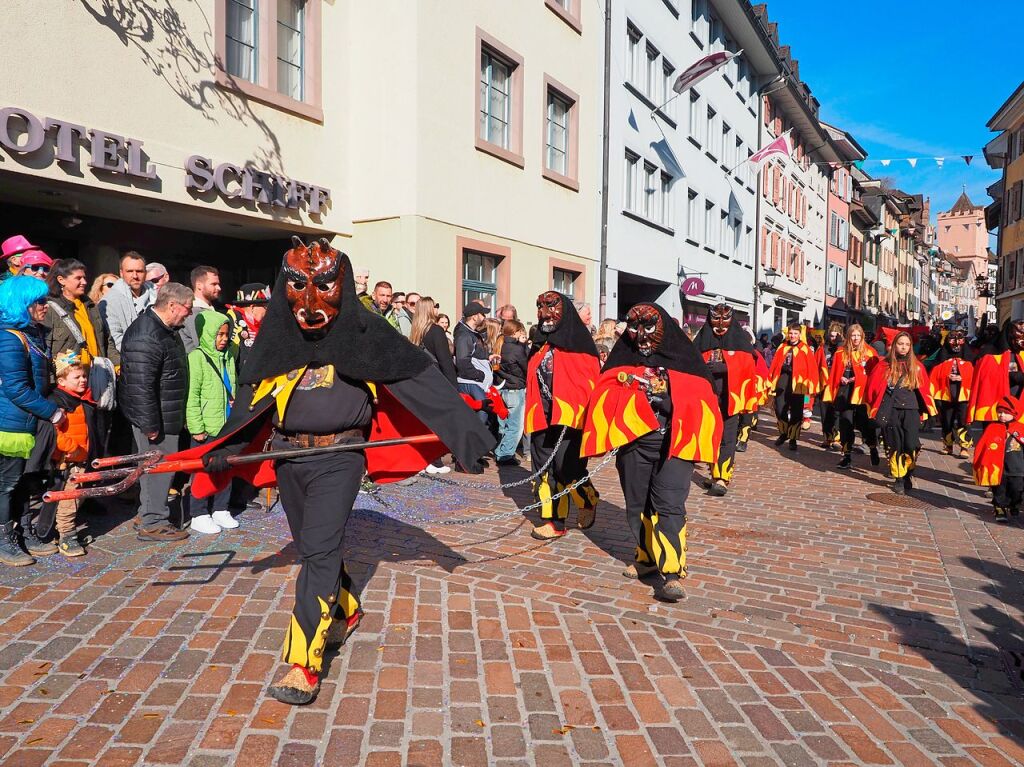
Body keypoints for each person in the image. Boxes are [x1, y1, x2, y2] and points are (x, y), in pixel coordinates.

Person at [186, 237, 492, 705]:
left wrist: (465, 437)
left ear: (342, 284)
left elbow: (424, 382)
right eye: (298, 286)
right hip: (289, 456)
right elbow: (251, 401)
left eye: (324, 285)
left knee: (320, 551)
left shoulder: (367, 332)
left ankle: (302, 663)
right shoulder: (277, 335)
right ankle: (345, 609)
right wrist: (224, 446)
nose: (310, 301)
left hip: (340, 457)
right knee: (315, 546)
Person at [581, 302, 722, 602]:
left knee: (669, 504)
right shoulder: (623, 360)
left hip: (674, 444)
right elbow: (605, 393)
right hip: (636, 444)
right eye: (634, 328)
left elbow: (702, 400)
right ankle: (646, 557)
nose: (641, 335)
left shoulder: (685, 361)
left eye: (648, 327)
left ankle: (672, 572)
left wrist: (670, 397)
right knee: (638, 504)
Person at [0, 277, 66, 567]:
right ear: (22, 304)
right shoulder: (9, 337)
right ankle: (4, 541)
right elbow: (15, 387)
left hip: (29, 420)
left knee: (25, 481)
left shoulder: (32, 334)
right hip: (11, 423)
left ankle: (23, 532)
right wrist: (51, 411)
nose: (44, 306)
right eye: (39, 301)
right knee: (7, 483)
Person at [119, 282, 193, 541]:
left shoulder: (163, 329)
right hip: (155, 418)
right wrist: (151, 425)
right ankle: (153, 522)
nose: (189, 314)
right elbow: (140, 387)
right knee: (158, 468)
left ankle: (148, 513)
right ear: (172, 305)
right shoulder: (146, 335)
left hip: (164, 413)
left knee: (158, 467)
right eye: (187, 308)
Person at [524, 291, 601, 539]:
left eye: (551, 307)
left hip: (570, 418)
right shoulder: (540, 344)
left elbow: (588, 384)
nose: (545, 312)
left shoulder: (581, 346)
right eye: (540, 307)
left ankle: (587, 499)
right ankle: (554, 522)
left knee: (567, 468)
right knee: (544, 470)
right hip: (541, 416)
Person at [29, 351, 97, 557]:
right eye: (77, 377)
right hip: (67, 462)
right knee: (69, 500)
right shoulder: (58, 403)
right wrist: (73, 449)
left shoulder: (81, 400)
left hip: (81, 459)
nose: (83, 380)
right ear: (61, 380)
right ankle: (67, 536)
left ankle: (60, 532)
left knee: (78, 498)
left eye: (84, 376)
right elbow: (55, 435)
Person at [692, 303, 760, 496]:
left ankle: (723, 477)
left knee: (728, 438)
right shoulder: (702, 341)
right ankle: (714, 473)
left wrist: (727, 368)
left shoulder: (740, 342)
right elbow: (691, 364)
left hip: (731, 399)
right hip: (709, 399)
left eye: (725, 320)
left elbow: (748, 367)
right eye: (716, 320)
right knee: (711, 436)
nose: (720, 325)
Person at [185, 312, 238, 534]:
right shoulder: (197, 358)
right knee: (202, 470)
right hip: (207, 426)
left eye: (227, 334)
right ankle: (198, 512)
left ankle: (220, 508)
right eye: (219, 334)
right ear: (208, 334)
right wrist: (196, 427)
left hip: (226, 424)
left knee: (226, 466)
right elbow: (192, 395)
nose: (224, 339)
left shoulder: (229, 356)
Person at [865, 331, 936, 495]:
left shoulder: (917, 366)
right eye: (900, 344)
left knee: (911, 445)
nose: (903, 347)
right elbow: (872, 388)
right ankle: (898, 477)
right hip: (892, 410)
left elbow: (925, 390)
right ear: (894, 345)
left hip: (911, 410)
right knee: (895, 444)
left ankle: (908, 472)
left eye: (906, 344)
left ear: (910, 347)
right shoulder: (884, 365)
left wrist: (927, 413)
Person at [409, 296, 456, 476]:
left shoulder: (416, 331)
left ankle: (422, 460)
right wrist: (453, 386)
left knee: (423, 423)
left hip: (421, 380)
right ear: (429, 309)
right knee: (436, 424)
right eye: (435, 306)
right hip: (436, 380)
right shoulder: (435, 331)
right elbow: (445, 360)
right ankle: (433, 460)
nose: (437, 309)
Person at [822, 324, 879, 470]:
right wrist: (839, 379)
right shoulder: (840, 352)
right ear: (848, 336)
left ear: (862, 337)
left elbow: (874, 375)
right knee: (845, 423)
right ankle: (846, 455)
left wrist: (857, 379)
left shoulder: (870, 352)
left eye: (858, 335)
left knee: (864, 424)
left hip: (861, 394)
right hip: (845, 392)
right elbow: (835, 372)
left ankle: (872, 447)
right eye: (853, 335)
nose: (855, 338)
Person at [44, 259, 117, 367]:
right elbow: (45, 349)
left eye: (84, 278)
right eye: (78, 278)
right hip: (68, 379)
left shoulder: (91, 307)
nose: (84, 282)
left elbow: (107, 340)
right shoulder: (50, 309)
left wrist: (117, 365)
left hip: (96, 375)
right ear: (61, 280)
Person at [766, 324, 819, 451]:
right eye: (791, 333)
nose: (793, 336)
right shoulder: (782, 347)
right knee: (779, 409)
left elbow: (811, 368)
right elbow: (775, 364)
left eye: (795, 333)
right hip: (782, 381)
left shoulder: (805, 349)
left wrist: (812, 386)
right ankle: (784, 433)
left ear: (800, 335)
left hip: (798, 384)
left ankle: (793, 438)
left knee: (796, 412)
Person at [973, 395, 1024, 523]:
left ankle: (1014, 504)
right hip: (997, 467)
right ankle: (999, 508)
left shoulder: (1021, 428)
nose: (1002, 415)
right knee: (999, 489)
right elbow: (983, 446)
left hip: (1017, 467)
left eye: (1006, 413)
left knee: (1017, 489)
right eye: (999, 412)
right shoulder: (992, 427)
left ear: (1014, 413)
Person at [967, 319, 1024, 426]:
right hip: (997, 405)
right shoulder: (991, 353)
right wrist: (1011, 376)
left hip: (1018, 404)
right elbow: (986, 379)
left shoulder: (1021, 354)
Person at [99, 251, 157, 353]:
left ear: (145, 273)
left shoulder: (157, 295)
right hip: (130, 358)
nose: (135, 276)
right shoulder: (109, 302)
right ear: (121, 273)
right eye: (130, 271)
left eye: (139, 271)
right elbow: (115, 339)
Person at [930, 328, 975, 458]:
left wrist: (963, 378)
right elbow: (935, 373)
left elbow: (975, 376)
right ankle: (948, 445)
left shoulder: (969, 360)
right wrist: (946, 376)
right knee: (947, 421)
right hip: (946, 394)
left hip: (963, 396)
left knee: (963, 421)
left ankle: (964, 447)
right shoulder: (942, 359)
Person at [454, 302, 492, 443]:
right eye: (482, 314)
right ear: (475, 317)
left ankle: (473, 453)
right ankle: (467, 454)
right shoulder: (465, 335)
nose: (484, 317)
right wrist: (480, 375)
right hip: (470, 382)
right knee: (481, 417)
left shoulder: (471, 333)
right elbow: (463, 362)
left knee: (481, 417)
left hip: (475, 383)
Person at [495, 320, 528, 466]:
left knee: (504, 424)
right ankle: (505, 454)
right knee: (515, 425)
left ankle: (501, 451)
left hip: (502, 388)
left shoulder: (499, 345)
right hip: (515, 388)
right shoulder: (516, 349)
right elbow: (526, 367)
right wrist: (523, 345)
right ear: (515, 332)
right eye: (521, 331)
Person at [225, 283, 271, 371]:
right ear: (253, 307)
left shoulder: (262, 325)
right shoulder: (231, 320)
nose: (268, 311)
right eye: (266, 307)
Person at [815, 323, 845, 450]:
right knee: (825, 413)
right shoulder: (823, 348)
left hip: (837, 386)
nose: (833, 338)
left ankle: (837, 438)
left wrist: (839, 345)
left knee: (836, 413)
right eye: (831, 336)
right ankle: (827, 437)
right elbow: (816, 364)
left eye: (835, 336)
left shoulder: (843, 348)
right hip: (824, 385)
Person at [180, 265, 222, 352]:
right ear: (199, 286)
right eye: (214, 284)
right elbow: (205, 346)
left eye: (218, 284)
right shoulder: (192, 313)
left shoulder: (208, 310)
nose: (219, 288)